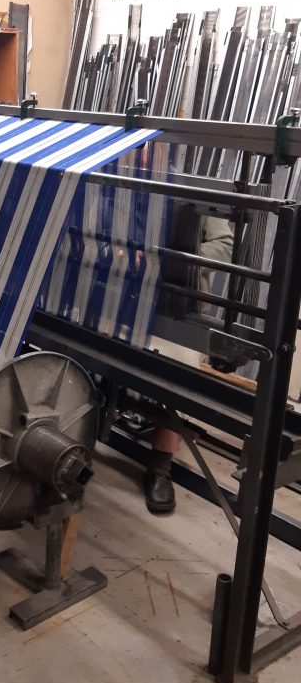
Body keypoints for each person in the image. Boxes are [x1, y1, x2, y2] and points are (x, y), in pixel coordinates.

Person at [145, 215, 234, 515]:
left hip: (179, 307)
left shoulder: (204, 200)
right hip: (130, 293)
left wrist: (171, 259)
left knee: (180, 370)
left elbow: (225, 245)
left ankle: (160, 466)